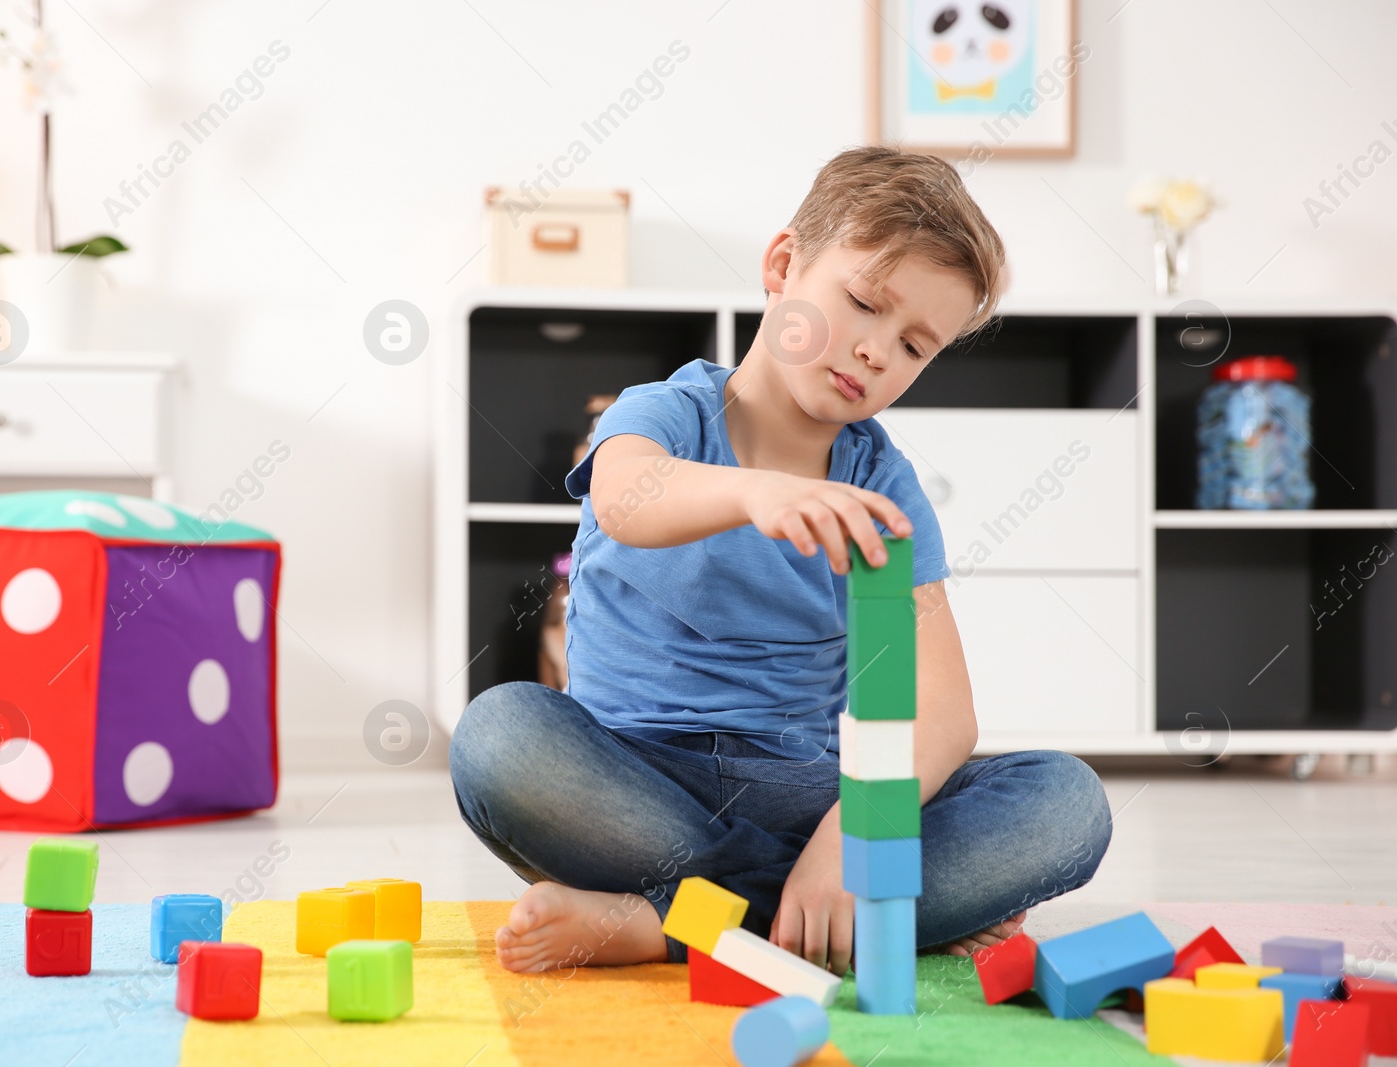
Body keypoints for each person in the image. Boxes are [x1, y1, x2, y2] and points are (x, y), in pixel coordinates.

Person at [450, 144, 1113, 977]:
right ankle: (839, 918)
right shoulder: (667, 412)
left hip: (817, 805)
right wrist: (755, 494)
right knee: (500, 737)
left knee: (1067, 802)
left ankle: (675, 923)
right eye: (865, 303)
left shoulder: (885, 486)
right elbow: (624, 498)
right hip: (644, 784)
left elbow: (943, 710)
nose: (877, 352)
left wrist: (851, 837)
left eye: (914, 346)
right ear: (784, 264)